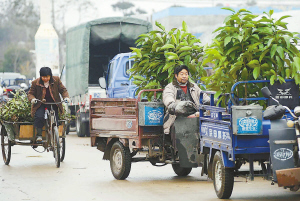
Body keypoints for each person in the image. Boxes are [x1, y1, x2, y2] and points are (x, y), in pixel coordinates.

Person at [163, 65, 210, 146]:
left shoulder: (194, 86)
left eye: (186, 74)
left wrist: (209, 101)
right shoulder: (170, 87)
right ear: (176, 75)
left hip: (195, 115)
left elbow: (204, 96)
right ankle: (178, 153)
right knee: (177, 127)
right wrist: (173, 105)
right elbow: (168, 98)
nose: (184, 76)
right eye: (181, 74)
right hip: (176, 117)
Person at [28, 67, 70, 142]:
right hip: (40, 103)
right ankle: (39, 135)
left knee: (56, 119)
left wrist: (66, 97)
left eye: (47, 76)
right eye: (43, 77)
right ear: (41, 76)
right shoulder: (35, 83)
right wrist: (33, 99)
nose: (45, 78)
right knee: (39, 116)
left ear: (50, 75)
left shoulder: (56, 80)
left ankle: (55, 134)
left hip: (54, 103)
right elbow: (30, 93)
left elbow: (63, 90)